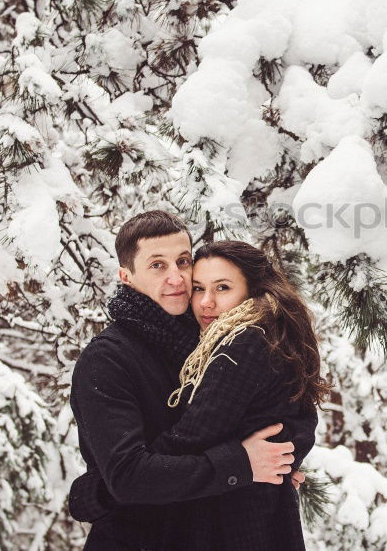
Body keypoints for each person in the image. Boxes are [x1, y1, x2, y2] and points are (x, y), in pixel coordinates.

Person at [69, 211, 316, 549]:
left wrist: (278, 462)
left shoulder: (219, 338)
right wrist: (240, 465)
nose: (177, 279)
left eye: (183, 261)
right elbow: (128, 475)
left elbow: (288, 419)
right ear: (126, 277)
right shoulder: (108, 359)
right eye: (158, 265)